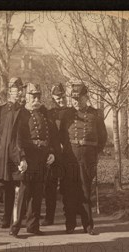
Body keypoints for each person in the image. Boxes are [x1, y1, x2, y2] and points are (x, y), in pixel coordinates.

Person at [10, 83, 59, 237]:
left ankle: (33, 225)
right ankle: (15, 226)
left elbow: (49, 136)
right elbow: (16, 139)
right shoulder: (21, 114)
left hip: (41, 158)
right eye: (33, 96)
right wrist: (21, 158)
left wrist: (51, 152)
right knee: (22, 193)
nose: (36, 99)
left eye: (38, 96)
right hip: (27, 158)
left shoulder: (44, 114)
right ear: (26, 97)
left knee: (37, 194)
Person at [59, 80, 107, 235]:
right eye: (73, 99)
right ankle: (70, 224)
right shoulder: (66, 114)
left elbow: (103, 137)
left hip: (87, 158)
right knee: (69, 191)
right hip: (70, 157)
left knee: (86, 192)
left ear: (86, 97)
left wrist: (94, 153)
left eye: (79, 99)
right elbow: (61, 136)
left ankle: (88, 225)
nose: (76, 102)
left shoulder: (95, 114)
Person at [0, 77, 25, 227]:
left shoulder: (24, 110)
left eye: (21, 90)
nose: (19, 93)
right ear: (10, 91)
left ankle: (17, 219)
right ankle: (6, 217)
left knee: (19, 186)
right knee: (7, 186)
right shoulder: (0, 109)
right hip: (4, 152)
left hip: (19, 152)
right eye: (16, 90)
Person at [42, 83, 70, 226]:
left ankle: (69, 216)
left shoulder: (71, 112)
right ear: (53, 97)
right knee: (50, 187)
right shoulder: (49, 113)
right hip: (53, 155)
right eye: (57, 97)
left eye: (62, 96)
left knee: (68, 186)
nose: (60, 99)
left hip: (68, 154)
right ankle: (49, 217)